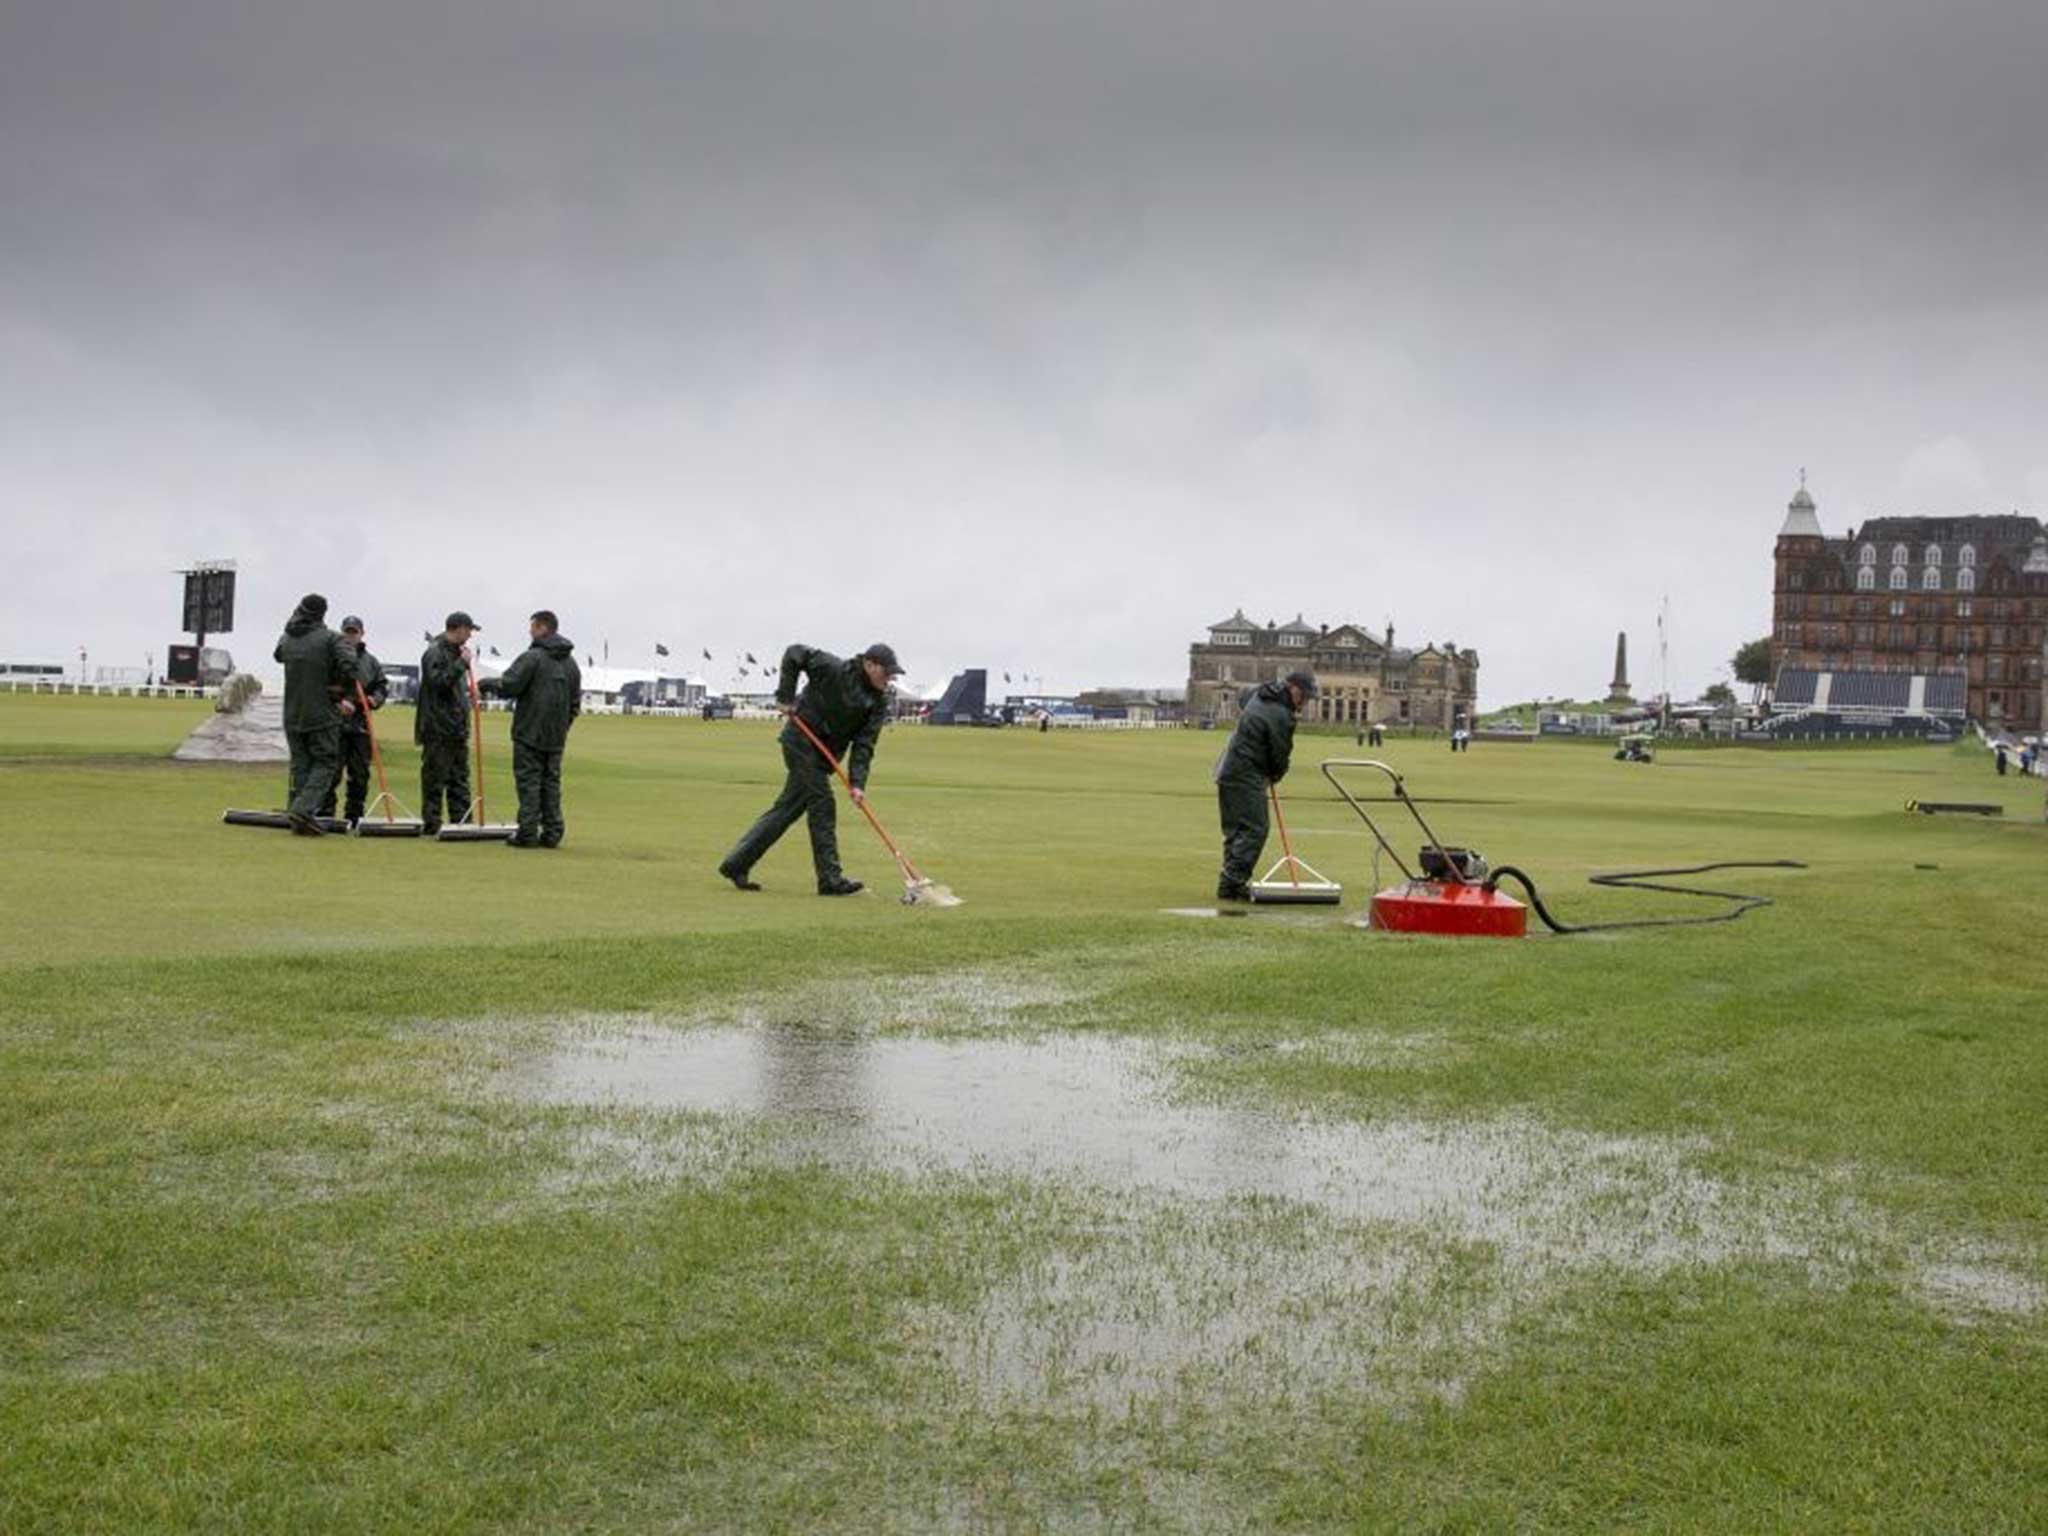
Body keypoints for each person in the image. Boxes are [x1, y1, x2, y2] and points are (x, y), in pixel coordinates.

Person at [719, 642, 902, 895]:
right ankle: (829, 879)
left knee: (786, 810)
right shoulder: (834, 668)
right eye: (886, 672)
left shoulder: (877, 703)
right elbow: (794, 653)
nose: (890, 678)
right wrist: (785, 696)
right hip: (800, 742)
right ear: (869, 665)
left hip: (823, 758)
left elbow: (864, 745)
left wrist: (858, 783)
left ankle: (736, 863)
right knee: (822, 803)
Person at [477, 610, 582, 848]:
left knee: (529, 782)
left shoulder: (533, 657)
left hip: (529, 732)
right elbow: (575, 703)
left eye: (532, 627)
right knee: (551, 783)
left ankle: (528, 832)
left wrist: (485, 684)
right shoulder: (571, 664)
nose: (530, 631)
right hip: (556, 736)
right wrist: (562, 727)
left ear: (542, 628)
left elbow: (511, 684)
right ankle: (553, 832)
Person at [1214, 669, 1314, 901]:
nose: (1305, 702)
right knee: (1255, 829)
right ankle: (1231, 884)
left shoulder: (1261, 693)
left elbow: (1243, 699)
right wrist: (1276, 774)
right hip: (1245, 773)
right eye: (1305, 697)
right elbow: (1279, 752)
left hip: (1227, 767)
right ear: (1294, 689)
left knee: (1236, 830)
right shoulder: (1281, 714)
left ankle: (1231, 881)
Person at [271, 593, 358, 835]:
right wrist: (339, 690)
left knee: (301, 764)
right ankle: (303, 809)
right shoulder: (331, 639)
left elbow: (278, 654)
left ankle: (297, 812)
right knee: (326, 761)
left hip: (292, 712)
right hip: (321, 712)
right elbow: (350, 665)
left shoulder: (287, 637)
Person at [318, 616, 387, 827]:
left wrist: (375, 699)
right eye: (347, 632)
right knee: (331, 772)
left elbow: (381, 687)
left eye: (354, 632)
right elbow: (321, 685)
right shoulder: (331, 659)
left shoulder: (371, 662)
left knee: (360, 775)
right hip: (335, 725)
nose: (350, 636)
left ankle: (354, 816)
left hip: (360, 726)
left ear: (361, 634)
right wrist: (338, 701)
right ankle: (326, 813)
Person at [416, 612, 479, 835]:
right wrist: (461, 665)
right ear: (458, 628)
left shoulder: (457, 653)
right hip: (438, 727)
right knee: (434, 778)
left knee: (460, 778)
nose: (471, 635)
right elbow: (437, 682)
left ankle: (462, 822)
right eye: (469, 629)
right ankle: (432, 823)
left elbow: (453, 688)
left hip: (457, 727)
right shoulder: (435, 652)